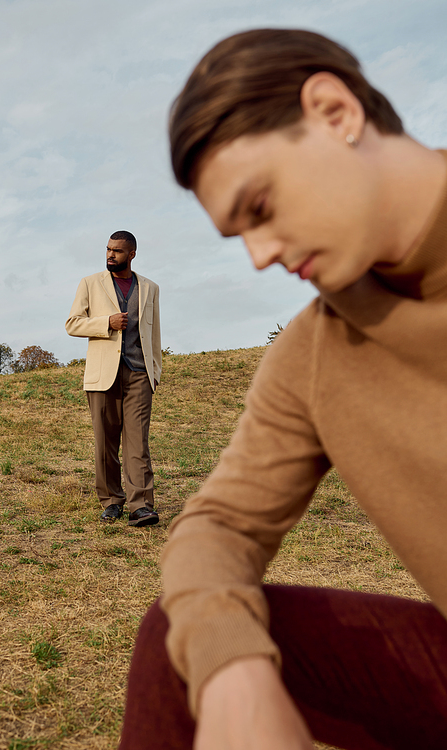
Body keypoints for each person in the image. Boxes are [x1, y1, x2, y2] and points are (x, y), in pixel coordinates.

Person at [119, 29, 447, 750]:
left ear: (335, 112)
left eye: (260, 206)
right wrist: (234, 674)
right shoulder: (315, 354)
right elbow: (218, 528)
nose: (261, 255)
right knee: (187, 636)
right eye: (238, 234)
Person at [66, 230, 162, 528]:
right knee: (104, 443)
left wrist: (153, 372)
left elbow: (153, 332)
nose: (110, 255)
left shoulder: (150, 288)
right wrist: (105, 323)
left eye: (117, 251)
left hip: (138, 375)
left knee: (138, 444)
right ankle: (111, 501)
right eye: (108, 249)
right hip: (102, 376)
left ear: (132, 254)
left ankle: (141, 507)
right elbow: (72, 324)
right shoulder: (90, 283)